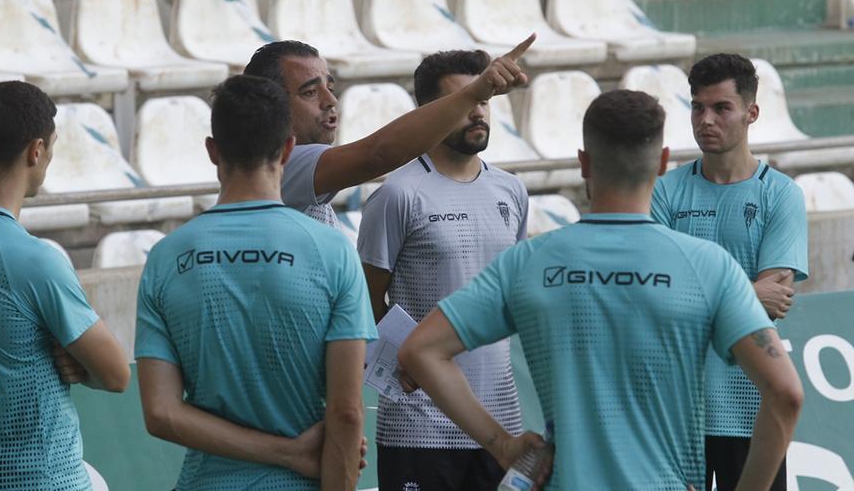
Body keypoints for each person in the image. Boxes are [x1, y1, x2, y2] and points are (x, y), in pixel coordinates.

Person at [398, 90, 804, 490]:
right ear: (662, 163)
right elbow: (785, 393)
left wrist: (502, 446)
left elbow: (420, 350)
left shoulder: (529, 262)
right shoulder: (707, 266)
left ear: (583, 163)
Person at [135, 75, 377, 490]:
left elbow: (161, 413)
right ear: (287, 149)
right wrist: (293, 454)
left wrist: (281, 451)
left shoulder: (165, 258)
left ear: (213, 151)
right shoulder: (332, 251)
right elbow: (347, 414)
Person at [357, 50, 529, 490]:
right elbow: (366, 300)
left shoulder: (511, 191)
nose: (477, 112)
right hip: (419, 428)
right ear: (430, 113)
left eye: (485, 99)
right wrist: (403, 362)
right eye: (465, 100)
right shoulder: (398, 195)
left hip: (500, 424)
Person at [650, 53, 809, 491]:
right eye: (698, 107)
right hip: (677, 412)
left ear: (751, 113)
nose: (706, 120)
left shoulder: (780, 195)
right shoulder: (664, 191)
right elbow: (654, 297)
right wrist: (746, 290)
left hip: (753, 409)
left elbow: (772, 302)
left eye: (722, 108)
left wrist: (688, 291)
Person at [0, 81, 130, 490]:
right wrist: (79, 366)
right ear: (36, 150)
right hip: (38, 478)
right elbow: (116, 374)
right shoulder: (35, 260)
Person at [243, 34, 535, 227]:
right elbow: (378, 154)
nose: (330, 101)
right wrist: (473, 93)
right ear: (271, 103)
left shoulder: (509, 188)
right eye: (309, 92)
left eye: (330, 88)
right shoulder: (277, 166)